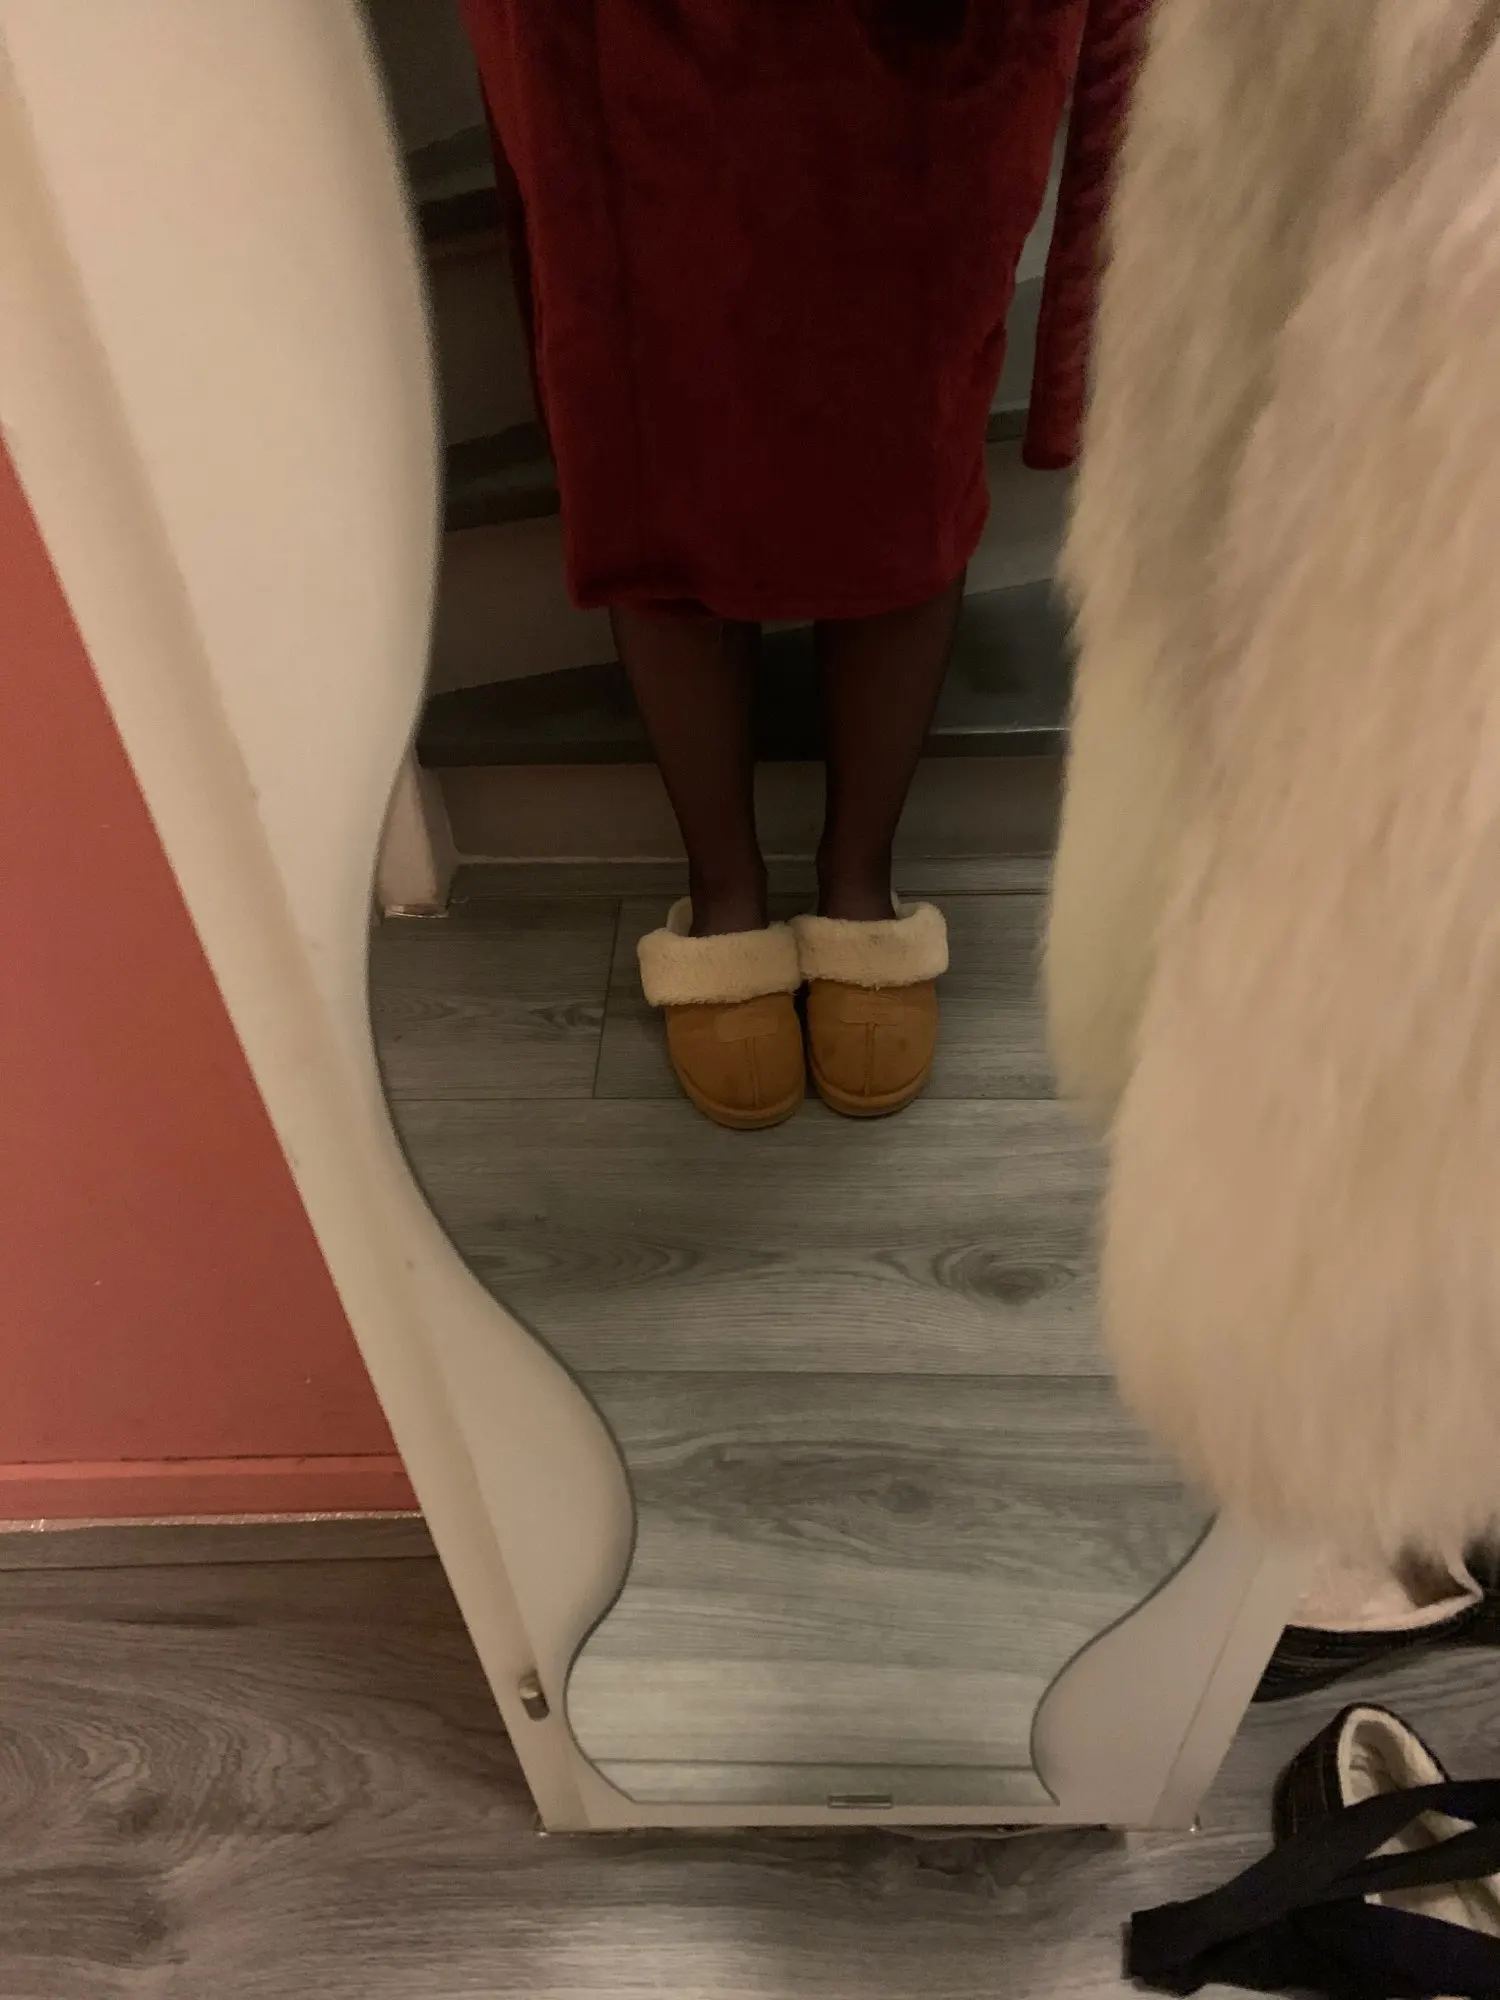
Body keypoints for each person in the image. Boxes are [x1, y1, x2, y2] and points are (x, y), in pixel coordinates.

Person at [459, 0, 1084, 1127]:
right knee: (654, 439)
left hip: (930, 50)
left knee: (906, 453)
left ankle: (860, 885)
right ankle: (726, 898)